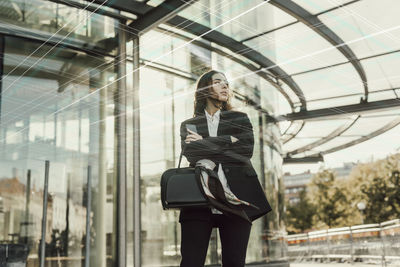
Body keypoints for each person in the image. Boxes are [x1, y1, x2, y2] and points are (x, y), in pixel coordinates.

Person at [179, 70, 271, 267]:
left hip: (236, 200)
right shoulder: (189, 125)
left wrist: (205, 142)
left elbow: (244, 151)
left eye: (227, 83)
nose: (225, 86)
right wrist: (228, 142)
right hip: (199, 201)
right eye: (218, 82)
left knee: (234, 263)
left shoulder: (240, 119)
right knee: (191, 263)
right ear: (205, 88)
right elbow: (192, 154)